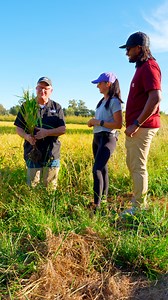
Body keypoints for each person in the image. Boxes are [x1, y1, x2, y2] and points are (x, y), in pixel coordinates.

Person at [119, 31, 161, 214]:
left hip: (142, 126)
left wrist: (136, 123)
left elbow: (155, 98)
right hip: (138, 126)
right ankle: (138, 201)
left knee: (138, 166)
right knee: (134, 164)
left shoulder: (150, 67)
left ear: (139, 48)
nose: (127, 52)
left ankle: (139, 208)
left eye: (128, 49)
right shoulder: (141, 68)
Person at [14, 76, 66, 190]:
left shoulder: (56, 107)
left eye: (46, 88)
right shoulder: (27, 106)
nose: (43, 91)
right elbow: (19, 128)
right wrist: (27, 136)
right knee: (33, 186)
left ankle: (48, 207)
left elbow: (62, 129)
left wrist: (47, 132)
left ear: (51, 91)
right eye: (40, 87)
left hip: (52, 153)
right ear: (36, 89)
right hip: (32, 153)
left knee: (50, 188)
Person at [87, 72, 123, 212]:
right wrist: (94, 123)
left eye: (100, 83)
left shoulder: (114, 101)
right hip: (97, 138)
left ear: (108, 84)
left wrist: (98, 122)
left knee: (96, 169)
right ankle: (103, 200)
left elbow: (118, 124)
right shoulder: (102, 101)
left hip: (108, 138)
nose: (97, 86)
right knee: (103, 169)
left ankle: (97, 205)